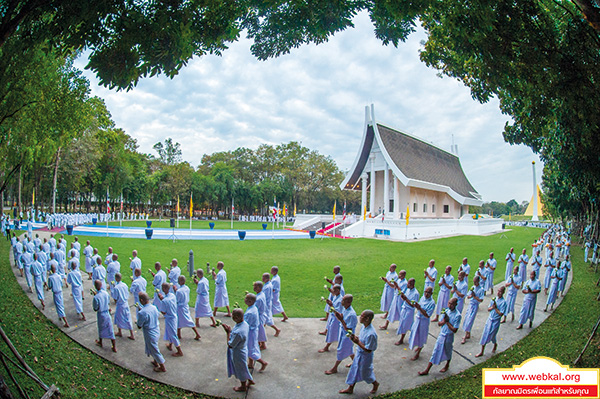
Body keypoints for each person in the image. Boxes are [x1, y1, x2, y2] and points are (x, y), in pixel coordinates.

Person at [339, 310, 379, 395]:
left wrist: (357, 342)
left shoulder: (371, 334)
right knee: (354, 370)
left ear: (367, 319)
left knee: (365, 373)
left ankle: (375, 384)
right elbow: (361, 340)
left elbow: (369, 349)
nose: (360, 318)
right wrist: (354, 338)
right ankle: (350, 388)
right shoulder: (363, 327)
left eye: (362, 316)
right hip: (359, 353)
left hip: (365, 356)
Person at [419, 297, 461, 375]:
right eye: (449, 303)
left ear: (456, 304)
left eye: (452, 304)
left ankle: (447, 364)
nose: (450, 305)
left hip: (449, 336)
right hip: (442, 334)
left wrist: (447, 322)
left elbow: (455, 330)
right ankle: (427, 370)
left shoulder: (457, 315)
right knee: (435, 351)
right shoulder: (446, 311)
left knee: (448, 351)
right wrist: (444, 321)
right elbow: (439, 323)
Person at [222, 308, 254, 392]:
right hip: (243, 349)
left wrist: (228, 332)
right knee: (243, 366)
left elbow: (230, 345)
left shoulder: (238, 333)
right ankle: (250, 380)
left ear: (236, 317)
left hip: (238, 353)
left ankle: (243, 386)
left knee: (240, 369)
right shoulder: (245, 324)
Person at [325, 294, 357, 375]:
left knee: (341, 350)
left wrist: (341, 320)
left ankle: (334, 368)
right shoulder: (345, 308)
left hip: (347, 336)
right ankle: (357, 362)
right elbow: (341, 316)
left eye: (343, 300)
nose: (341, 301)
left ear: (348, 302)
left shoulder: (352, 315)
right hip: (342, 332)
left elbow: (348, 329)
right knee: (349, 350)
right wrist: (332, 306)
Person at [136, 292, 166, 372]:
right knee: (153, 346)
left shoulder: (142, 312)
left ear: (141, 300)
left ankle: (162, 366)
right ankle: (156, 361)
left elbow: (139, 325)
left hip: (149, 332)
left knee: (154, 349)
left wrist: (139, 317)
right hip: (156, 329)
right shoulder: (154, 307)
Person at [476, 286, 507, 357]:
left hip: (496, 321)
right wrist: (492, 307)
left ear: (503, 293)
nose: (498, 293)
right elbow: (488, 309)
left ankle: (495, 344)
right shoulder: (494, 300)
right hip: (490, 319)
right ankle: (482, 351)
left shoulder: (503, 302)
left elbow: (501, 313)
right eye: (498, 291)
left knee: (492, 334)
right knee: (485, 334)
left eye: (500, 292)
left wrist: (495, 308)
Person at [408, 286, 435, 360]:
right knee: (415, 333)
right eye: (425, 292)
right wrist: (416, 306)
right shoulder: (423, 298)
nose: (426, 294)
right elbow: (419, 307)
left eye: (428, 293)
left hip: (423, 321)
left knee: (421, 335)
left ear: (431, 293)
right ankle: (418, 346)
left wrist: (419, 308)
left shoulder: (432, 303)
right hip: (418, 319)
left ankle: (418, 352)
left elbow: (427, 315)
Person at [243, 293, 268, 372]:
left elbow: (246, 324)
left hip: (250, 333)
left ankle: (263, 363)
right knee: (251, 347)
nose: (244, 300)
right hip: (253, 332)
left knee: (251, 350)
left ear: (249, 301)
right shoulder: (253, 308)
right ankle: (250, 363)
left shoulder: (250, 312)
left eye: (246, 299)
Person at [158, 282, 183, 356]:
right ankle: (170, 345)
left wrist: (161, 300)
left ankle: (179, 351)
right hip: (174, 316)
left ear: (165, 289)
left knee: (173, 334)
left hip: (170, 318)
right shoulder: (172, 295)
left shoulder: (164, 301)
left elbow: (163, 312)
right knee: (170, 332)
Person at [92, 279, 116, 352]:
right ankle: (114, 346)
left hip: (101, 313)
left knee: (101, 328)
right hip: (107, 312)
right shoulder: (106, 293)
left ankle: (101, 342)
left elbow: (95, 308)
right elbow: (108, 302)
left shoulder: (96, 297)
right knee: (110, 329)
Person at [174, 275, 201, 340]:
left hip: (180, 307)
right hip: (185, 306)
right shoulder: (187, 288)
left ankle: (196, 334)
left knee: (181, 321)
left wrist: (175, 291)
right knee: (183, 320)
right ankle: (179, 334)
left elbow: (177, 300)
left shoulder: (179, 291)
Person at [394, 278, 420, 345]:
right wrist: (403, 296)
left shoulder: (415, 293)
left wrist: (406, 299)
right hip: (404, 308)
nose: (407, 285)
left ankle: (402, 339)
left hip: (409, 311)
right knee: (402, 323)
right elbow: (405, 298)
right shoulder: (408, 290)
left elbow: (413, 305)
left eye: (408, 283)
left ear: (412, 284)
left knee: (406, 324)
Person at [460, 275, 485, 344]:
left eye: (475, 282)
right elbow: (468, 296)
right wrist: (471, 295)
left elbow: (481, 300)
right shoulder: (473, 288)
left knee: (470, 320)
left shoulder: (481, 289)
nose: (474, 283)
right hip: (470, 305)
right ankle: (468, 333)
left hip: (475, 305)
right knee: (467, 318)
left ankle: (465, 336)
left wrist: (474, 296)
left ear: (478, 281)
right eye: (474, 282)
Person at [319, 284, 342, 352]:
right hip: (332, 316)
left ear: (338, 291)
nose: (333, 292)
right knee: (330, 328)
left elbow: (338, 310)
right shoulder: (336, 296)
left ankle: (327, 347)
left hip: (336, 318)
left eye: (334, 290)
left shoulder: (340, 300)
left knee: (332, 332)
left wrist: (331, 305)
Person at [111, 273, 135, 340]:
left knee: (119, 318)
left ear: (116, 278)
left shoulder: (116, 288)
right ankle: (131, 333)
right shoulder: (124, 285)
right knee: (127, 318)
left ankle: (120, 332)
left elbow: (115, 297)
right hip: (126, 303)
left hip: (120, 304)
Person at [261, 272, 280, 341]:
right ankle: (264, 325)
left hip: (266, 304)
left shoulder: (267, 287)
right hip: (268, 303)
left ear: (266, 278)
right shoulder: (268, 284)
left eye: (263, 277)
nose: (262, 279)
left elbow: (264, 296)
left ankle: (277, 329)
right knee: (266, 317)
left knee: (267, 318)